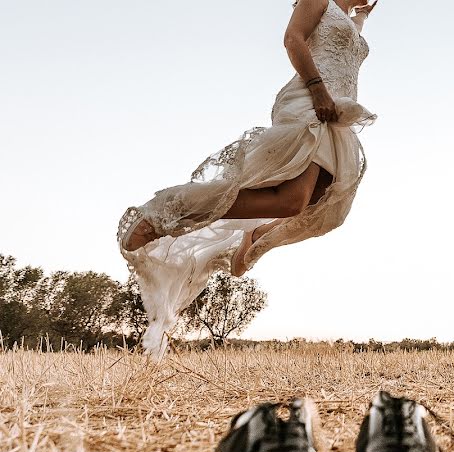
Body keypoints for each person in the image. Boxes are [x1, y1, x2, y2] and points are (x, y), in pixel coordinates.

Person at [118, 0, 376, 357]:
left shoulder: (349, 19)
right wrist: (318, 90)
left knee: (319, 208)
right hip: (313, 101)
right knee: (291, 200)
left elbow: (348, 46)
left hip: (337, 111)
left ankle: (255, 236)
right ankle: (164, 215)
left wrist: (361, 16)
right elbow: (293, 39)